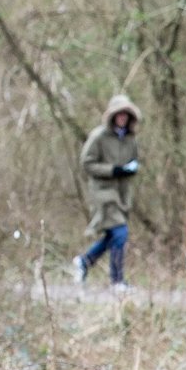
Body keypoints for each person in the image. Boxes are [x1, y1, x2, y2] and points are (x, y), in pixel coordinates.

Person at [72, 94, 141, 290]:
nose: (122, 118)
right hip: (102, 193)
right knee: (120, 232)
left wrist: (131, 169)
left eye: (125, 114)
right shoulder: (98, 136)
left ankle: (84, 262)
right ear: (112, 116)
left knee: (113, 236)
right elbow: (87, 163)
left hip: (121, 194)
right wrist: (112, 170)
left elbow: (134, 161)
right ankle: (117, 281)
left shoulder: (130, 139)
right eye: (119, 114)